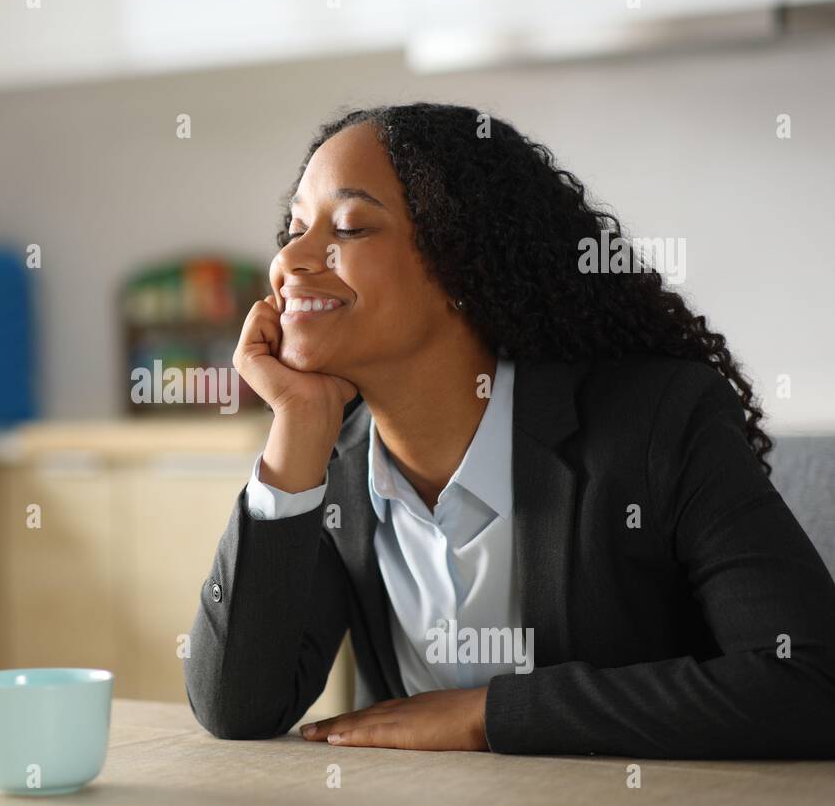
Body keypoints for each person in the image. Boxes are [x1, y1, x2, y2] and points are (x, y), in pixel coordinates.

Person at [184, 103, 835, 758]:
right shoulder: (333, 466)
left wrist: (489, 716)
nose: (290, 258)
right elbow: (238, 706)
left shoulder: (658, 422)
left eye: (349, 227)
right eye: (296, 227)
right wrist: (297, 428)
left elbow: (811, 678)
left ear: (459, 265)